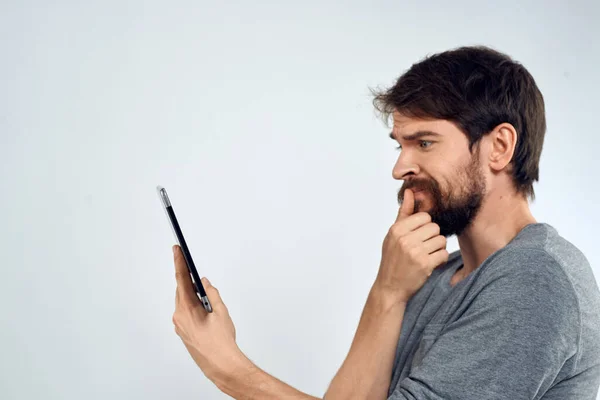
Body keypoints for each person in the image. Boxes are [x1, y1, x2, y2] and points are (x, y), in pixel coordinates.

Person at [170, 45, 600, 399]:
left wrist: (228, 369)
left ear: (499, 147)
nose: (400, 168)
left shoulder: (534, 279)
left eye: (424, 142)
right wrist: (388, 291)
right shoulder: (437, 275)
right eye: (399, 145)